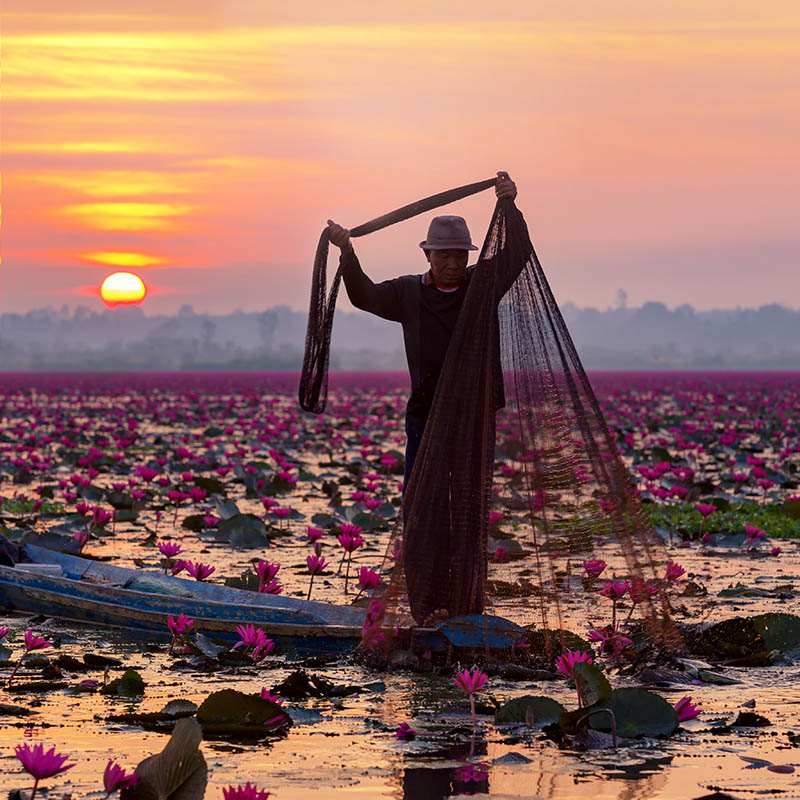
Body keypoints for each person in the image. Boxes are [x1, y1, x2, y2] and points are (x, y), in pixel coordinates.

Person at [327, 171, 518, 493]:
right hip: (424, 414)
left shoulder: (481, 286)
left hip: (473, 415)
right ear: (427, 255)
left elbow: (516, 255)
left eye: (460, 254)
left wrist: (509, 205)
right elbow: (364, 296)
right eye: (444, 254)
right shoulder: (407, 293)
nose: (453, 263)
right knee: (420, 494)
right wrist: (347, 252)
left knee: (468, 496)